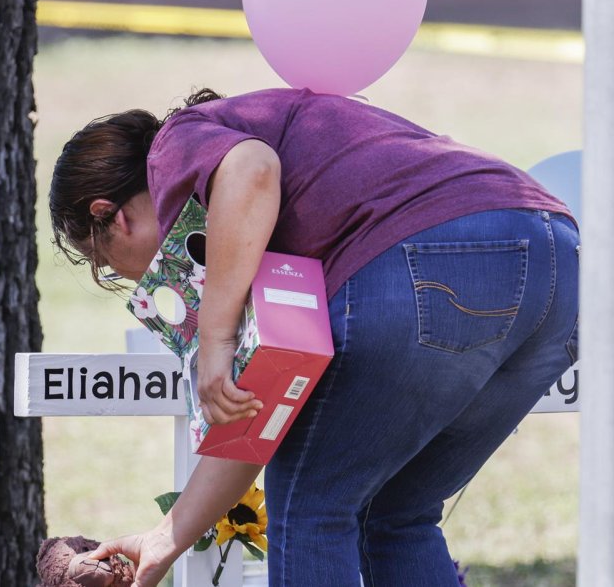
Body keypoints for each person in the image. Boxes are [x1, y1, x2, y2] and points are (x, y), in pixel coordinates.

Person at [49, 88, 579, 586]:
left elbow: (253, 168)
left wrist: (214, 341)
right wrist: (167, 537)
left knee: (312, 511)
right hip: (558, 268)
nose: (135, 279)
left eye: (109, 266)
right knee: (395, 513)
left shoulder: (173, 148)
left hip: (432, 250)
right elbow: (262, 413)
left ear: (110, 218)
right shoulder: (250, 232)